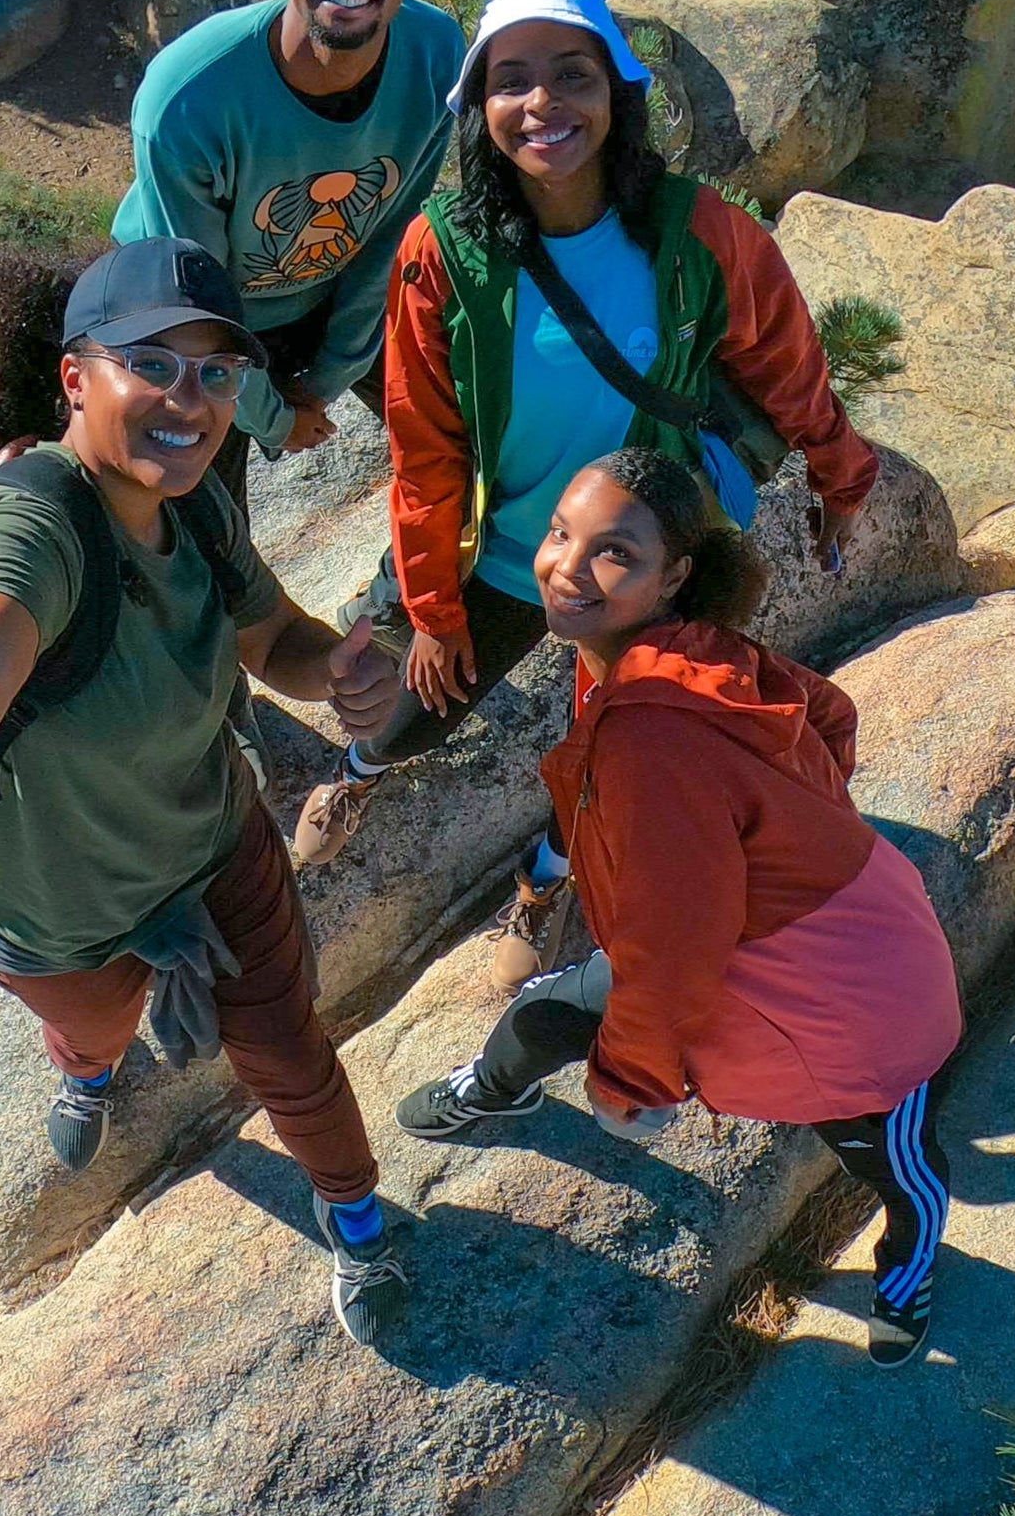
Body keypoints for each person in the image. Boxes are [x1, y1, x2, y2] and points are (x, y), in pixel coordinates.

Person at [0, 237, 411, 1345]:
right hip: (54, 903)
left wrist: (332, 668)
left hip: (214, 845)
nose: (189, 398)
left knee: (291, 1056)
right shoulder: (27, 521)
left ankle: (355, 1214)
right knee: (92, 1030)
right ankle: (90, 1072)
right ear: (74, 377)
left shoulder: (194, 509)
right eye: (151, 362)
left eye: (216, 371)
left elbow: (272, 635)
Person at [291, 0, 881, 998]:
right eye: (511, 80)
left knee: (618, 744)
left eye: (572, 75)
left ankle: (547, 875)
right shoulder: (447, 249)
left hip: (635, 559)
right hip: (504, 543)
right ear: (477, 107)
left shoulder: (698, 231)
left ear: (617, 93)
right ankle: (358, 773)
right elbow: (424, 443)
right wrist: (432, 608)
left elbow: (786, 361)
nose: (543, 103)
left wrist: (841, 471)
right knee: (412, 706)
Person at [395, 448, 962, 1367]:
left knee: (894, 1155)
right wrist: (787, 824)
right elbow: (826, 715)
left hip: (850, 994)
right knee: (545, 1014)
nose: (568, 567)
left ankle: (909, 1258)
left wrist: (632, 1083)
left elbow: (672, 950)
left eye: (614, 553)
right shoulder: (668, 650)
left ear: (674, 576)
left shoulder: (653, 726)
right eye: (561, 534)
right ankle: (493, 1088)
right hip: (757, 935)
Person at [112, 0, 464, 516]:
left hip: (330, 297)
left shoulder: (434, 53)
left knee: (471, 428)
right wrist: (273, 417)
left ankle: (425, 582)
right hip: (183, 313)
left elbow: (391, 233)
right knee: (195, 528)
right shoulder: (190, 96)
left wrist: (329, 377)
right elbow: (195, 297)